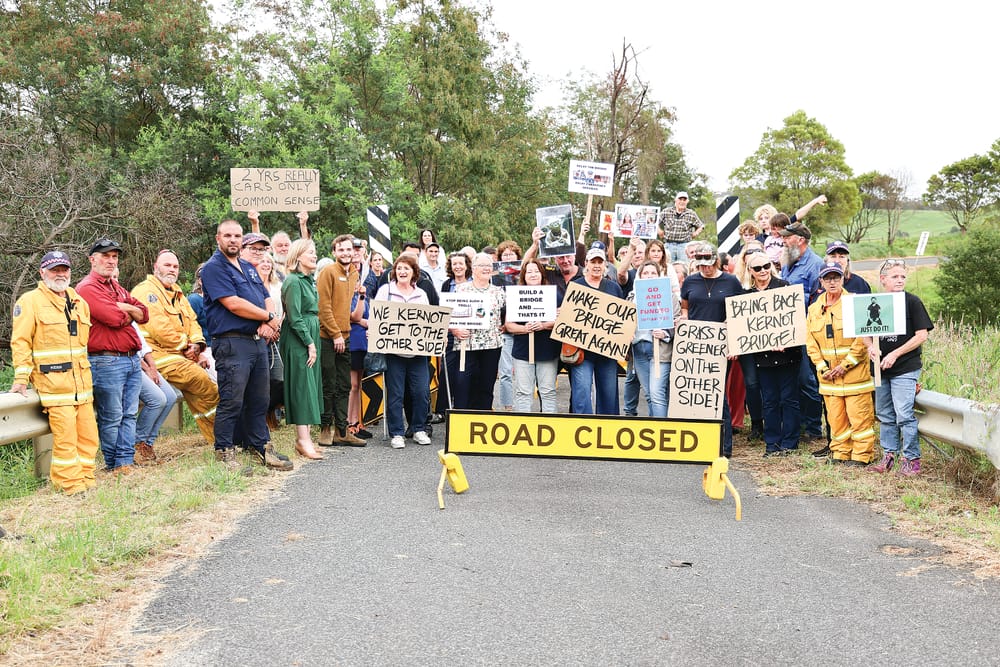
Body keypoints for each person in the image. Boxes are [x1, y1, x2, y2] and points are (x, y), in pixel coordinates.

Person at [200, 220, 292, 471]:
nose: (233, 240)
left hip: (256, 341)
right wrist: (268, 318)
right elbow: (233, 304)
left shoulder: (248, 267)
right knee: (232, 399)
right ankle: (224, 451)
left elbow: (265, 297)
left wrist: (269, 321)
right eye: (228, 235)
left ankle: (260, 446)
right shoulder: (213, 268)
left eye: (237, 236)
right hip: (231, 342)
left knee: (260, 399)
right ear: (218, 238)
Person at [9, 251, 99, 493]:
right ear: (42, 273)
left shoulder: (79, 302)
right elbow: (21, 342)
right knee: (66, 439)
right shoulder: (30, 302)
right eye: (54, 270)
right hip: (54, 386)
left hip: (82, 386)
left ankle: (86, 479)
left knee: (89, 437)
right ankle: (69, 485)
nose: (60, 274)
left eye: (64, 269)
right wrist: (21, 377)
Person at [131, 250, 219, 450]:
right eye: (167, 265)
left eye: (175, 266)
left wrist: (197, 346)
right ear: (155, 267)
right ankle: (220, 434)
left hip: (181, 355)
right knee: (200, 379)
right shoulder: (146, 291)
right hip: (158, 356)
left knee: (207, 386)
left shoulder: (177, 293)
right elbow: (160, 329)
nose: (172, 269)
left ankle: (219, 436)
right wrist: (187, 347)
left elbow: (193, 322)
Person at [76, 238, 148, 474]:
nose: (110, 261)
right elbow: (114, 319)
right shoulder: (88, 287)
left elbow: (145, 313)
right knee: (112, 415)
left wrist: (124, 306)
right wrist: (126, 309)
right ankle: (113, 463)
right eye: (105, 256)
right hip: (106, 360)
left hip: (131, 359)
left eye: (114, 257)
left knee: (129, 414)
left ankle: (125, 461)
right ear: (92, 259)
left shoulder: (115, 287)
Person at [806, 262, 875, 466]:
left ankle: (862, 455)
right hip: (829, 378)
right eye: (828, 278)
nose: (832, 282)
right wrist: (822, 367)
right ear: (821, 282)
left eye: (836, 277)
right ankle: (840, 453)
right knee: (836, 419)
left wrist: (844, 366)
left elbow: (863, 339)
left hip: (855, 376)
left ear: (843, 279)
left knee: (860, 418)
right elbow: (811, 343)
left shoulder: (855, 303)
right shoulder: (814, 309)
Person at [870, 259, 934, 476]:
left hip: (905, 367)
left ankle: (911, 460)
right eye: (895, 276)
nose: (900, 280)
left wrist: (895, 354)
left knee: (904, 414)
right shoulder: (875, 301)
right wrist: (870, 347)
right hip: (880, 368)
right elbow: (863, 333)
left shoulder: (912, 302)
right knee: (884, 414)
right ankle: (889, 456)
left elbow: (921, 335)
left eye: (903, 277)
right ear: (883, 279)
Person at [680, 242, 743, 457]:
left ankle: (724, 447)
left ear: (716, 260)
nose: (705, 268)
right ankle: (697, 443)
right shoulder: (690, 281)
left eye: (708, 264)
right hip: (694, 347)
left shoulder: (731, 282)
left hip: (720, 347)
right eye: (701, 264)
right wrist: (683, 321)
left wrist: (732, 341)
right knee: (695, 393)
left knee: (717, 394)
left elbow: (738, 313)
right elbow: (686, 309)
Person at [744, 252, 801, 456]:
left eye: (766, 266)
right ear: (750, 271)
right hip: (763, 356)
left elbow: (795, 319)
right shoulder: (746, 295)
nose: (763, 271)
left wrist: (786, 341)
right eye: (757, 268)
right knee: (769, 400)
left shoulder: (784, 287)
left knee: (789, 398)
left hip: (787, 354)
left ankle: (790, 443)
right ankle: (772, 443)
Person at [374, 255, 432, 449]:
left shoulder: (421, 294)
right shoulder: (386, 291)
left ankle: (418, 429)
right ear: (394, 271)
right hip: (394, 353)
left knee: (422, 392)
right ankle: (397, 433)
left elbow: (430, 321)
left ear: (414, 272)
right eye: (399, 268)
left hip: (418, 353)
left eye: (406, 268)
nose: (402, 272)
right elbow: (377, 317)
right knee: (396, 394)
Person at [779, 221, 827, 447]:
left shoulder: (815, 265)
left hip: (807, 331)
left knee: (807, 380)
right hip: (788, 330)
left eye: (787, 237)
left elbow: (819, 300)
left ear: (800, 240)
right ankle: (797, 425)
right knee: (793, 380)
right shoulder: (787, 263)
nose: (783, 241)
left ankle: (814, 428)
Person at [317, 234, 366, 446]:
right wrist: (335, 334)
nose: (346, 253)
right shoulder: (328, 272)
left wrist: (362, 295)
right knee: (328, 384)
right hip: (328, 337)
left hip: (346, 336)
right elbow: (323, 307)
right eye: (341, 250)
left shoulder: (354, 273)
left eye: (349, 249)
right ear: (334, 252)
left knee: (344, 384)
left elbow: (347, 309)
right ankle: (325, 428)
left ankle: (342, 430)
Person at [280, 239, 324, 460]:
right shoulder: (293, 281)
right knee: (301, 385)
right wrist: (309, 343)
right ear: (298, 256)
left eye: (315, 252)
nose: (315, 255)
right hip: (299, 337)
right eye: (310, 252)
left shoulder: (309, 281)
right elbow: (294, 316)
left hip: (310, 332)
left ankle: (306, 438)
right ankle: (302, 440)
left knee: (309, 385)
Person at [568, 242, 623, 415]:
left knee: (609, 394)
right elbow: (568, 317)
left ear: (605, 265)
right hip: (582, 351)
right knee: (582, 391)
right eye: (593, 262)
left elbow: (622, 319)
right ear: (586, 264)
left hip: (607, 351)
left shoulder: (614, 288)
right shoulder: (576, 286)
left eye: (600, 262)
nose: (597, 266)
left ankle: (608, 427)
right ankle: (582, 426)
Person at [448, 253, 506, 411]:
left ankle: (484, 415)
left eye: (489, 266)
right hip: (467, 345)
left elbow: (506, 313)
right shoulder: (461, 289)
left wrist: (505, 325)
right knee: (463, 384)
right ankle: (462, 418)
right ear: (473, 269)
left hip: (492, 345)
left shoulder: (498, 291)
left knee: (486, 385)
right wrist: (455, 329)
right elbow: (448, 316)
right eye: (482, 265)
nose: (486, 268)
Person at [506, 259, 561, 412]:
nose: (533, 274)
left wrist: (543, 325)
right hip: (523, 352)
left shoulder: (553, 294)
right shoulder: (515, 295)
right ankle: (523, 424)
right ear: (523, 276)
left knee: (548, 391)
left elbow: (561, 321)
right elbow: (509, 325)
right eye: (529, 272)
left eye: (536, 271)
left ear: (542, 274)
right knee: (523, 392)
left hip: (547, 351)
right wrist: (524, 328)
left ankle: (549, 423)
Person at [243, 235, 285, 431]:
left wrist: (275, 327)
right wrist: (266, 326)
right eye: (263, 262)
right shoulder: (250, 283)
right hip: (257, 336)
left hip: (276, 336)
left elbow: (282, 309)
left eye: (269, 262)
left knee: (277, 379)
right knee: (261, 381)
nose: (266, 264)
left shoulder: (277, 286)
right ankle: (260, 420)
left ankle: (273, 416)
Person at [629, 261, 676, 417]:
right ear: (640, 275)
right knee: (649, 394)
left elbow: (678, 322)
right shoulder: (632, 296)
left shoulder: (669, 296)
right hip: (638, 350)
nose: (649, 276)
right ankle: (655, 425)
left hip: (659, 351)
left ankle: (663, 429)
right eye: (645, 273)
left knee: (657, 394)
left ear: (659, 275)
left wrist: (665, 333)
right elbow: (624, 321)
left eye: (653, 273)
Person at [132, 319, 176, 465]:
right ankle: (138, 442)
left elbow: (144, 346)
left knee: (170, 397)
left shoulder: (132, 317)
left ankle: (148, 443)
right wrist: (147, 369)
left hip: (145, 364)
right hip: (131, 363)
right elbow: (129, 349)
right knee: (157, 400)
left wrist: (153, 367)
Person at [493, 240, 523, 412]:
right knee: (505, 372)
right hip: (504, 331)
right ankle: (508, 407)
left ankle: (522, 406)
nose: (508, 257)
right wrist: (502, 322)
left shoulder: (523, 276)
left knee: (523, 373)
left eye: (512, 254)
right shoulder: (495, 278)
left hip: (522, 330)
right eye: (505, 254)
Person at [659, 191, 704, 261]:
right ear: (676, 200)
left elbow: (701, 226)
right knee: (667, 265)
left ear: (687, 201)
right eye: (680, 199)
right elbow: (654, 221)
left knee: (684, 265)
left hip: (684, 245)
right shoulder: (666, 211)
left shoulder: (691, 213)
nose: (682, 202)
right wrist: (659, 231)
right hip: (668, 244)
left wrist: (695, 233)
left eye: (684, 200)